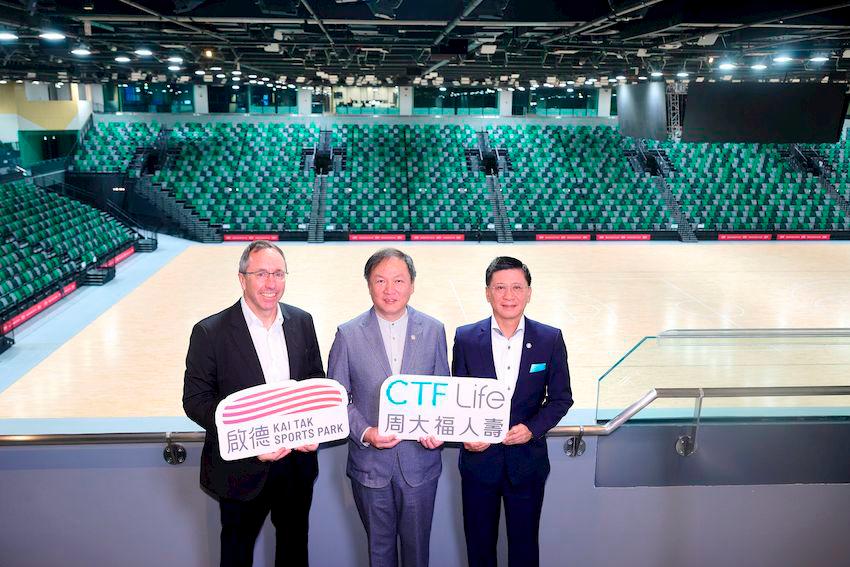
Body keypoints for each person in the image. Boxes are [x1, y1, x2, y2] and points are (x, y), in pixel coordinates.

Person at [183, 240, 324, 567]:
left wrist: (313, 426)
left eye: (278, 273)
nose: (271, 283)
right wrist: (250, 438)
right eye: (261, 273)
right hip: (240, 469)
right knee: (236, 554)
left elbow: (315, 379)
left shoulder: (302, 322)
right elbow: (195, 400)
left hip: (295, 468)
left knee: (293, 551)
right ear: (241, 277)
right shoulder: (209, 332)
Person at [328, 248, 449, 567]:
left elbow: (444, 391)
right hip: (370, 467)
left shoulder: (434, 330)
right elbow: (337, 398)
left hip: (420, 465)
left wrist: (438, 429)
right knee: (378, 553)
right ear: (368, 284)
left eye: (398, 280)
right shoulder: (348, 334)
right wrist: (365, 432)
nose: (389, 289)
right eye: (380, 280)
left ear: (412, 284)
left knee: (418, 553)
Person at [452, 256, 573, 567]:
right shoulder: (466, 338)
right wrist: (468, 435)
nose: (509, 295)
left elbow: (561, 399)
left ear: (529, 292)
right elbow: (457, 398)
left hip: (527, 466)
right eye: (500, 287)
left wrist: (532, 429)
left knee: (524, 550)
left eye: (517, 287)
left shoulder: (549, 338)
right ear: (487, 292)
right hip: (479, 464)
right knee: (479, 550)